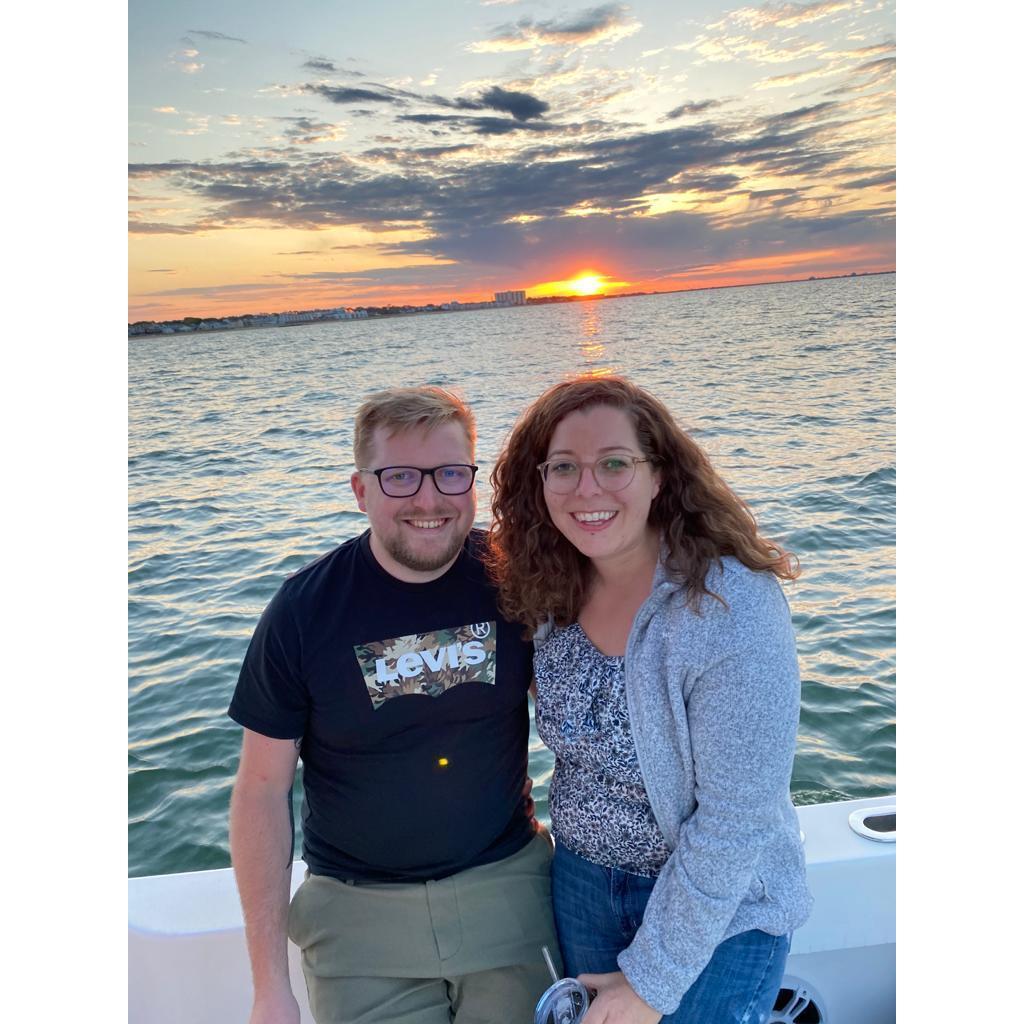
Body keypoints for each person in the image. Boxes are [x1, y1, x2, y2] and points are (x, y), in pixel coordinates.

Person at [228, 386, 560, 1024]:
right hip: (359, 921)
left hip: (508, 895)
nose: (429, 499)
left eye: (450, 474)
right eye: (401, 477)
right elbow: (261, 790)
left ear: (473, 479)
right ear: (361, 490)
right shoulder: (301, 613)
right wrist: (269, 985)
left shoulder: (518, 578)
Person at [487, 376, 813, 1024]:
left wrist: (649, 983)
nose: (588, 489)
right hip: (581, 887)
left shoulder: (728, 605)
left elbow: (735, 821)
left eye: (615, 463)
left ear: (659, 475)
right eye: (564, 468)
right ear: (539, 481)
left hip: (722, 911)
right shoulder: (550, 588)